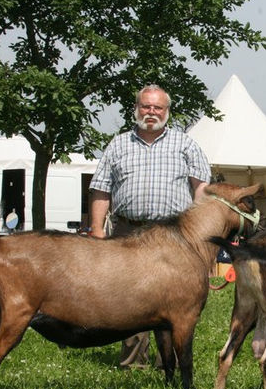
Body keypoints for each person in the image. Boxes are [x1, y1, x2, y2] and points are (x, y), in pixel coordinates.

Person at [89, 84, 211, 369]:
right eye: (146, 106)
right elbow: (100, 189)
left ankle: (169, 361)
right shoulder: (118, 144)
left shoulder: (185, 144)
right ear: (136, 109)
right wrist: (96, 230)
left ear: (167, 111)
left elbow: (202, 189)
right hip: (128, 231)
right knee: (129, 296)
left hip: (173, 235)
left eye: (158, 107)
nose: (151, 112)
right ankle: (134, 362)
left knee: (174, 297)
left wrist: (202, 233)